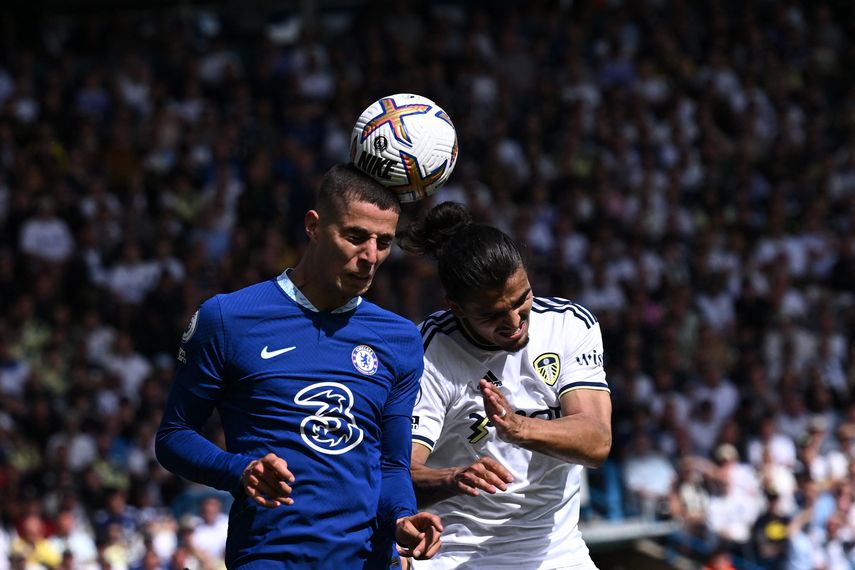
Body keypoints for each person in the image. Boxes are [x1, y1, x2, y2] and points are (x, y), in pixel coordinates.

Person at [155, 163, 442, 568]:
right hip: (269, 556)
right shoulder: (228, 319)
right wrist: (240, 470)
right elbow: (173, 436)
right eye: (356, 237)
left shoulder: (399, 338)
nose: (371, 256)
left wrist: (402, 518)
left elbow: (391, 465)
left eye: (384, 242)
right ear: (313, 226)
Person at [401, 202, 612, 569]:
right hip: (455, 556)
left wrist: (520, 427)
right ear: (457, 307)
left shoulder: (569, 326)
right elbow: (399, 477)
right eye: (494, 314)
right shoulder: (427, 352)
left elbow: (597, 441)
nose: (515, 322)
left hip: (557, 552)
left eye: (522, 299)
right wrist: (451, 478)